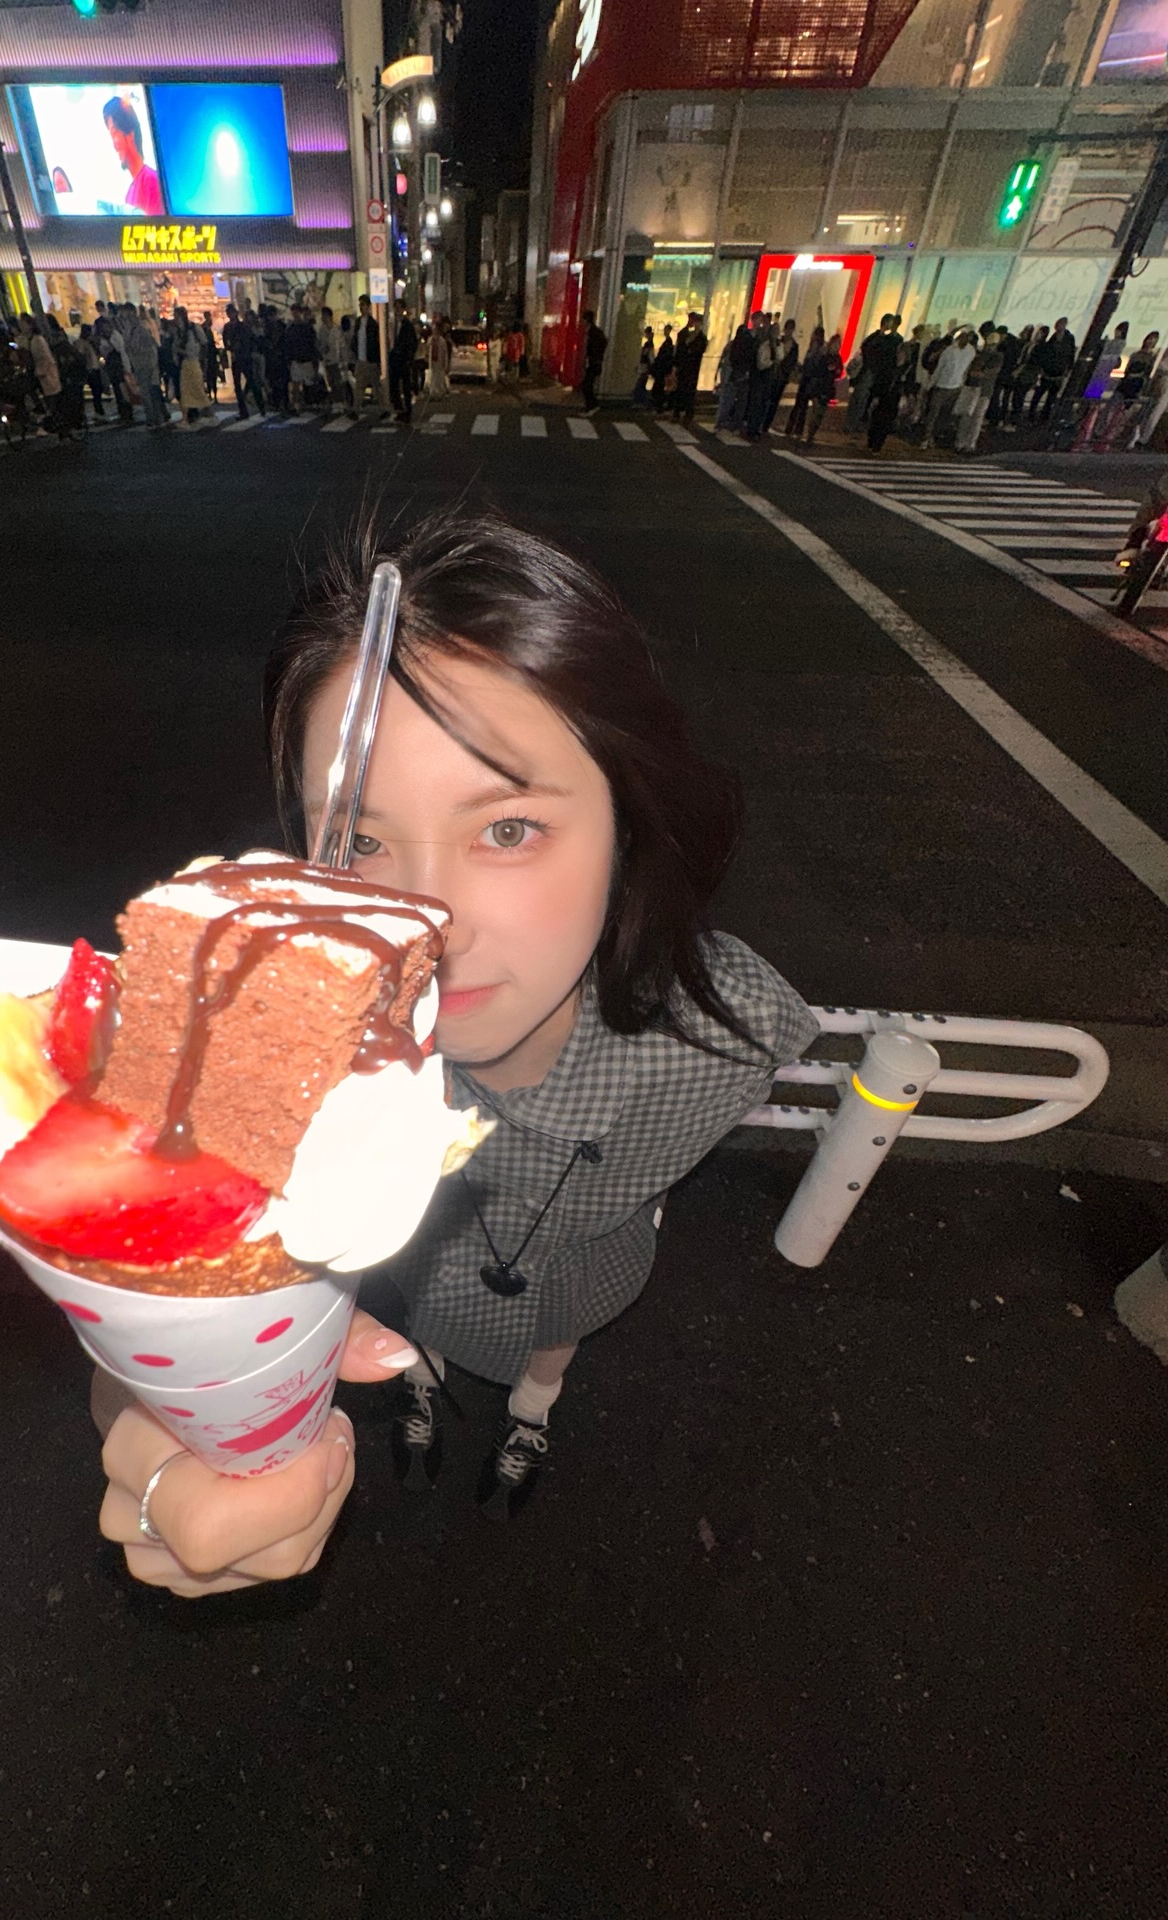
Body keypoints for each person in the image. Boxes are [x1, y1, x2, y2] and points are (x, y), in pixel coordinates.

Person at [93, 512, 817, 1588]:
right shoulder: (279, 1048)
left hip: (582, 1275)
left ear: (627, 827)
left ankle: (533, 1412)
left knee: (554, 1343)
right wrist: (175, 1421)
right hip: (411, 1289)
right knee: (409, 1337)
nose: (427, 927)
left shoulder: (723, 1037)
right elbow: (169, 1274)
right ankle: (422, 1384)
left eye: (508, 830)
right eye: (360, 840)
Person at [103, 95, 164, 215]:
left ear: (130, 133)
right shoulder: (129, 195)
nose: (114, 145)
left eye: (115, 133)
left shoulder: (152, 181)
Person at [953, 323, 1004, 454]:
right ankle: (963, 442)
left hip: (982, 389)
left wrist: (979, 372)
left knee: (975, 416)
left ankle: (968, 443)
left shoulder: (993, 356)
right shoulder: (983, 355)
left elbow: (984, 372)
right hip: (977, 388)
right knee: (969, 415)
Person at [920, 328, 976, 448]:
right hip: (946, 386)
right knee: (937, 414)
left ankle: (930, 437)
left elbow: (942, 369)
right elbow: (941, 369)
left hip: (950, 386)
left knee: (939, 414)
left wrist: (929, 385)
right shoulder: (957, 351)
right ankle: (928, 437)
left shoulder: (963, 351)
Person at [864, 313, 906, 453]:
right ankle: (872, 441)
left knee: (885, 419)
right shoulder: (889, 359)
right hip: (884, 390)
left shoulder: (901, 366)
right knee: (878, 417)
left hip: (892, 395)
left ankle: (877, 444)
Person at [1030, 315, 1077, 423]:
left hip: (1059, 371)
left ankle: (1044, 416)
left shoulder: (1069, 339)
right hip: (1049, 371)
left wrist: (1068, 368)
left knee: (1051, 396)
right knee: (1039, 393)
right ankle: (1033, 414)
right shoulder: (1054, 337)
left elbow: (1071, 354)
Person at [783, 326, 825, 440]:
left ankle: (793, 428)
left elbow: (811, 365)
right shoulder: (818, 350)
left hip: (808, 380)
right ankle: (797, 429)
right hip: (808, 380)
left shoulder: (815, 349)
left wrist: (803, 370)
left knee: (800, 405)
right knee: (802, 407)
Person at [713, 320, 754, 438]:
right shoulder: (747, 345)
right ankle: (734, 425)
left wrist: (718, 375)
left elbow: (723, 360)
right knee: (740, 403)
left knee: (727, 401)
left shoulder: (732, 345)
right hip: (741, 377)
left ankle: (720, 423)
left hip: (731, 376)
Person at [801, 331, 843, 444]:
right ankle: (809, 434)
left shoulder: (838, 359)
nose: (837, 346)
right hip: (819, 386)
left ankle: (812, 432)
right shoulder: (824, 356)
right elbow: (818, 369)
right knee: (816, 411)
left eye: (839, 344)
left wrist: (836, 372)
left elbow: (839, 372)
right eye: (836, 344)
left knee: (820, 414)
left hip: (828, 388)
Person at [743, 310, 778, 439]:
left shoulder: (767, 339)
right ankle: (753, 428)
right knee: (757, 402)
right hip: (760, 373)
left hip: (764, 374)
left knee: (761, 402)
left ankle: (755, 427)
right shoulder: (760, 337)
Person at [222, 304, 260, 419]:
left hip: (244, 357)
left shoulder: (242, 326)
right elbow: (225, 341)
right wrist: (230, 348)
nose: (230, 315)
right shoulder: (229, 327)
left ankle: (260, 406)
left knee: (251, 382)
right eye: (228, 313)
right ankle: (244, 410)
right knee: (238, 385)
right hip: (237, 357)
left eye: (231, 312)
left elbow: (249, 340)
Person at [672, 310, 707, 426]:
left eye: (698, 322)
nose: (695, 324)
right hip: (683, 367)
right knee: (680, 389)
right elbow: (680, 350)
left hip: (692, 369)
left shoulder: (702, 338)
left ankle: (688, 414)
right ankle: (677, 412)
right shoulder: (686, 334)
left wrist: (690, 345)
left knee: (690, 391)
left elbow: (698, 351)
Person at [349, 295, 382, 418]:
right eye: (360, 305)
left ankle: (382, 408)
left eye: (363, 305)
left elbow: (375, 343)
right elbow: (355, 339)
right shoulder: (358, 322)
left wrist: (377, 360)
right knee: (359, 386)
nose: (361, 307)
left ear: (368, 306)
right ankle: (356, 409)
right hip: (361, 359)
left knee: (376, 386)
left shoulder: (373, 324)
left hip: (370, 360)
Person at [173, 307, 208, 423]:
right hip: (184, 362)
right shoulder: (178, 330)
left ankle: (202, 412)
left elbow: (204, 342)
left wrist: (202, 358)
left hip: (193, 360)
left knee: (197, 388)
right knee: (186, 390)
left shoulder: (192, 328)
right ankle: (191, 414)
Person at [764, 317, 798, 432]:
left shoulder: (794, 346)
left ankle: (766, 423)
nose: (789, 331)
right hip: (774, 372)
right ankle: (763, 421)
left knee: (774, 400)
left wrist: (786, 371)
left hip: (782, 375)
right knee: (768, 397)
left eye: (791, 329)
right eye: (788, 329)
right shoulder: (780, 341)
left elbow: (792, 362)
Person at [388, 303, 419, 422]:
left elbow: (413, 343)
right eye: (395, 308)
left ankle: (407, 411)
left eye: (399, 308)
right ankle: (399, 409)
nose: (397, 310)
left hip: (404, 360)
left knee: (406, 386)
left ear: (403, 309)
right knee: (394, 386)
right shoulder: (392, 324)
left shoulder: (408, 325)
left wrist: (409, 357)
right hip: (394, 359)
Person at [285, 305, 319, 413]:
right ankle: (297, 404)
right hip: (297, 359)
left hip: (306, 359)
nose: (295, 315)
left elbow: (312, 343)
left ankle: (308, 403)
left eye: (296, 312)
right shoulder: (291, 327)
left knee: (308, 383)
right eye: (293, 313)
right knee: (296, 383)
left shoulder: (305, 327)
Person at [316, 305, 345, 407]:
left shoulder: (336, 329)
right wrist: (322, 350)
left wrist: (342, 358)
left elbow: (341, 345)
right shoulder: (321, 330)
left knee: (338, 381)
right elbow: (318, 344)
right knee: (330, 382)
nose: (323, 318)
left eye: (324, 315)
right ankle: (334, 402)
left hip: (336, 360)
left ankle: (340, 402)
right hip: (326, 360)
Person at [580, 309, 607, 413]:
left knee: (587, 385)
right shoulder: (592, 332)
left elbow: (599, 345)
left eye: (583, 319)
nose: (582, 322)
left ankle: (592, 406)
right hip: (592, 362)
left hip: (593, 363)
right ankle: (591, 406)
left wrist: (595, 358)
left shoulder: (594, 333)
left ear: (587, 320)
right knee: (587, 385)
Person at [651, 324, 675, 413]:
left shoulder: (668, 343)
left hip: (662, 368)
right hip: (662, 368)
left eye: (666, 330)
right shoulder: (668, 342)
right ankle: (659, 405)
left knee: (659, 387)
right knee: (659, 387)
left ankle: (659, 405)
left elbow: (665, 356)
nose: (665, 332)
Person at [427, 315, 451, 400]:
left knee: (439, 377)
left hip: (439, 361)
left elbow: (445, 352)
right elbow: (428, 349)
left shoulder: (442, 341)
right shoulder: (430, 340)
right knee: (433, 377)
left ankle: (439, 393)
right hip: (433, 361)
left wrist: (445, 363)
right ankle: (433, 393)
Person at [632, 325, 655, 406]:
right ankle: (642, 402)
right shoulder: (649, 344)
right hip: (645, 367)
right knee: (642, 384)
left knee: (640, 385)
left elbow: (648, 357)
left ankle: (641, 401)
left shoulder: (648, 345)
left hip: (645, 367)